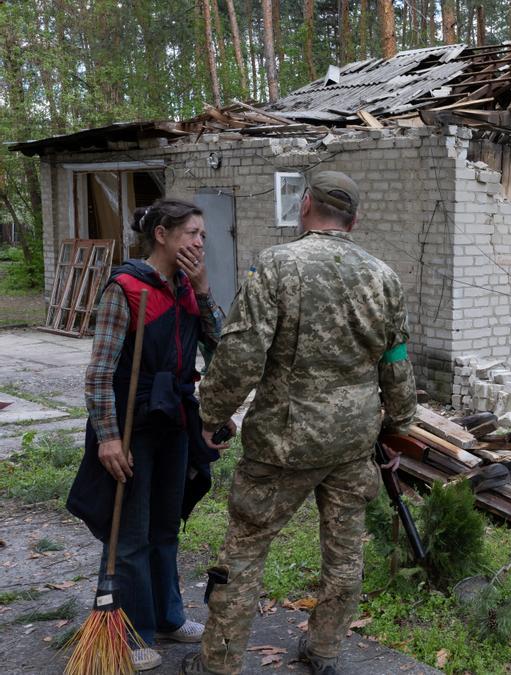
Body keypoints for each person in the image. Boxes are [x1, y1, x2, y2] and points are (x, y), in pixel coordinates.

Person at [182, 171, 417, 675]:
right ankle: (325, 651)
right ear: (354, 219)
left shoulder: (276, 265)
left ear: (305, 205)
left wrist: (211, 414)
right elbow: (395, 360)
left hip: (283, 443)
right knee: (345, 554)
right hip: (353, 441)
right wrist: (398, 425)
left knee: (244, 551)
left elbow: (243, 353)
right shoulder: (383, 276)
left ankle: (219, 664)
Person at [68, 198, 232, 672]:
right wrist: (108, 437)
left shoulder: (186, 287)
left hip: (174, 423)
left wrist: (202, 292)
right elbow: (99, 374)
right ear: (161, 234)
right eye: (192, 233)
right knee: (132, 535)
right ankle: (131, 630)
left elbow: (219, 345)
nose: (201, 242)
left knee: (166, 527)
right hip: (132, 427)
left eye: (203, 234)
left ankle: (168, 616)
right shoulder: (125, 289)